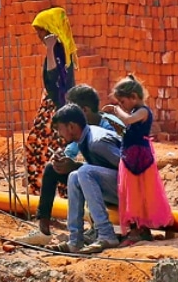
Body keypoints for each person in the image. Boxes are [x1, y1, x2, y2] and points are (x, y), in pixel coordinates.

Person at [25, 85, 122, 242]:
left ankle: (101, 231)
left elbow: (121, 168)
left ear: (83, 111)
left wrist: (76, 166)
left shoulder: (107, 130)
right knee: (53, 169)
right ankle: (44, 230)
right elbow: (71, 150)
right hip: (95, 178)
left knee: (82, 173)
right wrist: (62, 158)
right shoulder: (82, 131)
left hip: (116, 186)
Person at [102, 75, 172, 243]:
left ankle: (146, 227)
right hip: (129, 156)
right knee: (131, 193)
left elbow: (127, 120)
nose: (122, 106)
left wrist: (115, 110)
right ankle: (137, 227)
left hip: (140, 158)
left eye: (123, 102)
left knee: (142, 192)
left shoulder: (143, 111)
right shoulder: (134, 112)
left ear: (134, 97)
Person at [51, 104, 122, 253]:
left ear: (71, 126)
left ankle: (107, 234)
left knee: (84, 171)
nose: (59, 134)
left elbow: (127, 169)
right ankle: (75, 241)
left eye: (59, 129)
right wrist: (73, 166)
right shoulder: (85, 139)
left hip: (132, 192)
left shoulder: (97, 142)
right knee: (74, 176)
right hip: (117, 188)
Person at [25, 8, 77, 194]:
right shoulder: (63, 49)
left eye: (40, 30)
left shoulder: (59, 50)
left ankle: (53, 191)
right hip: (54, 104)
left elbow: (55, 79)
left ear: (49, 29)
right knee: (42, 145)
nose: (38, 35)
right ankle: (47, 190)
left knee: (46, 146)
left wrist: (49, 48)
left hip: (56, 106)